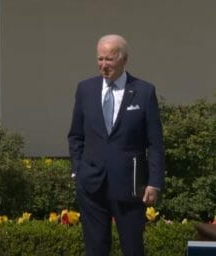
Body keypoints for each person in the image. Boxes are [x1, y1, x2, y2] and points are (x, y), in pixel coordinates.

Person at [68, 34, 165, 256]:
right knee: (96, 249)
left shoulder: (144, 91)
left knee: (132, 249)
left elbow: (155, 143)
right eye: (100, 59)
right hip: (92, 185)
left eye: (109, 60)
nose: (103, 65)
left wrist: (154, 182)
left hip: (130, 187)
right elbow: (75, 136)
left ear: (124, 60)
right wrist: (78, 171)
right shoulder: (85, 89)